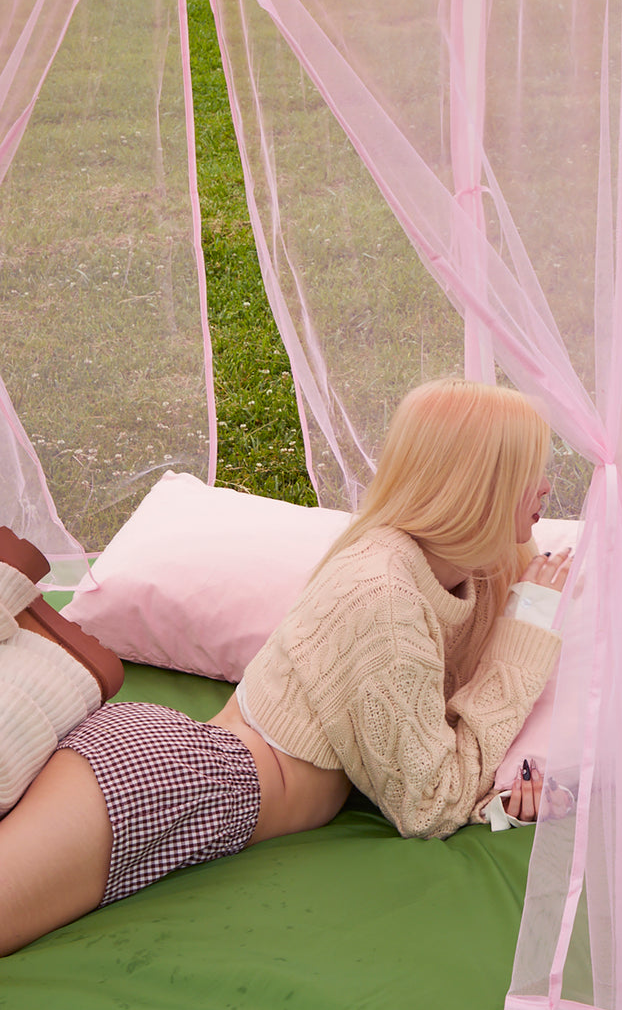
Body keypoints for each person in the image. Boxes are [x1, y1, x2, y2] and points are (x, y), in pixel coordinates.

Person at [0, 379, 571, 955]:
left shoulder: (453, 577)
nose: (547, 488)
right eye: (532, 471)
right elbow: (427, 805)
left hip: (187, 779)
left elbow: (427, 739)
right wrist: (523, 640)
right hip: (184, 783)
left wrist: (499, 795)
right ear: (481, 483)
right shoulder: (384, 595)